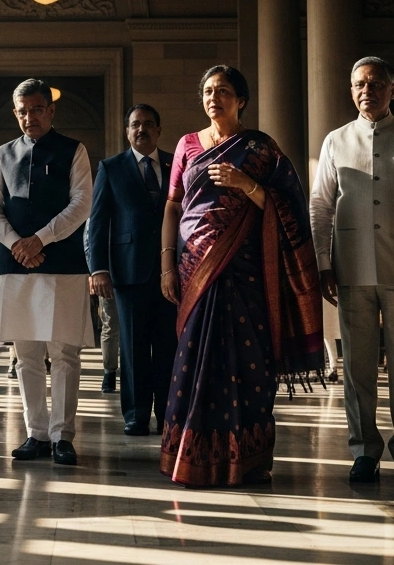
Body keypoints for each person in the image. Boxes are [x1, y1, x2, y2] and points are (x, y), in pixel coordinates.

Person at [158, 65, 322, 487]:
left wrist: (245, 183)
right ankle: (190, 456)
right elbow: (173, 206)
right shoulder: (187, 145)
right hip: (195, 268)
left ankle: (248, 459)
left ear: (241, 100)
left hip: (247, 271)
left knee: (250, 364)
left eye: (225, 91)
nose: (215, 98)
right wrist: (166, 263)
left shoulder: (261, 148)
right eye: (209, 91)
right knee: (191, 361)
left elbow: (290, 207)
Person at [309, 57, 394, 486]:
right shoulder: (335, 140)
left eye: (374, 83)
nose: (365, 90)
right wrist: (323, 262)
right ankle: (364, 449)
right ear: (350, 91)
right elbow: (321, 205)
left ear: (393, 88)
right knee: (357, 367)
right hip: (350, 266)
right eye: (357, 84)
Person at [0, 78, 94, 466]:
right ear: (15, 114)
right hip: (15, 266)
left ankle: (63, 435)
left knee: (63, 352)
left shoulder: (73, 150)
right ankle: (37, 434)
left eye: (37, 109)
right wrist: (16, 242)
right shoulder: (3, 153)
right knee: (26, 354)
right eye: (22, 111)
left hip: (62, 265)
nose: (29, 116)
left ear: (50, 110)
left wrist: (41, 240)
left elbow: (82, 203)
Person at [87, 103, 177, 437]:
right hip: (127, 272)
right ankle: (136, 414)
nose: (142, 129)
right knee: (134, 347)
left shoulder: (175, 163)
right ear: (127, 131)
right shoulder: (111, 168)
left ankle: (168, 413)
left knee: (168, 344)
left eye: (149, 124)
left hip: (171, 270)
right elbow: (98, 222)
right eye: (135, 124)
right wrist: (98, 269)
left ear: (159, 130)